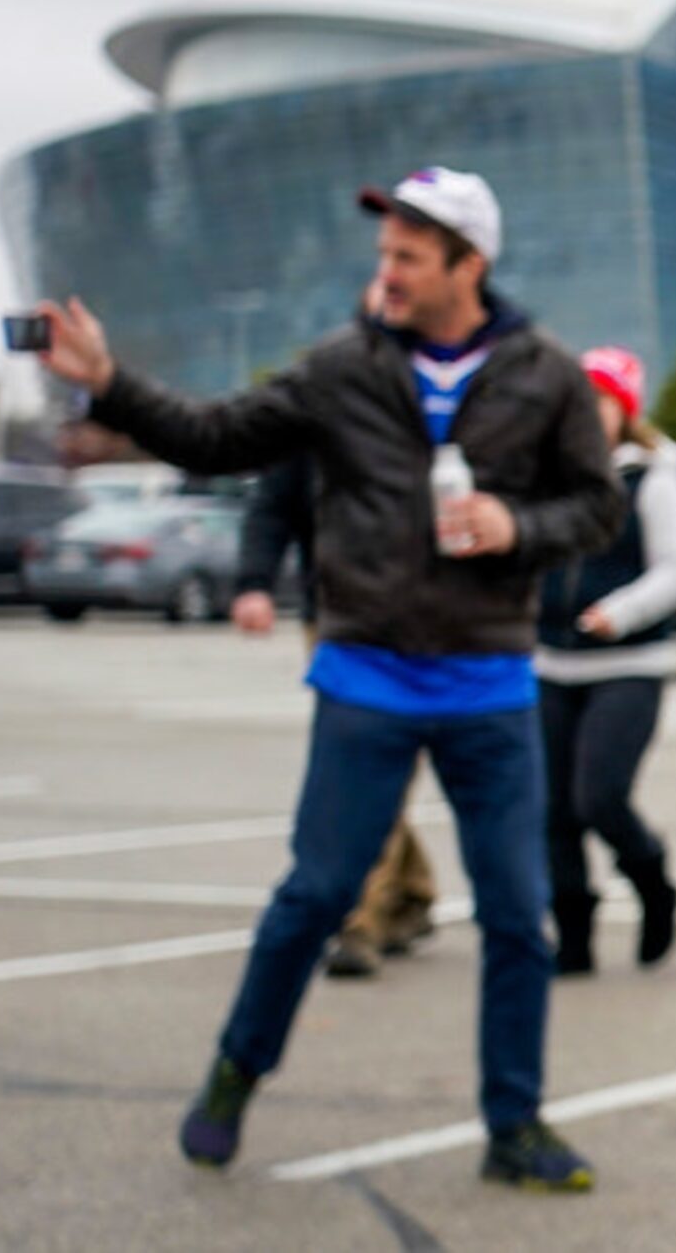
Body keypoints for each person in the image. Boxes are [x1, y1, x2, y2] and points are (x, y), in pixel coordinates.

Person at [33, 164, 623, 1193]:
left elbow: (597, 505)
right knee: (314, 895)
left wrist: (515, 527)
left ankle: (514, 1124)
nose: (384, 271)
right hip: (367, 674)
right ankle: (234, 1071)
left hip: (489, 681)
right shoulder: (340, 369)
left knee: (516, 916)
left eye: (406, 254)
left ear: (468, 266)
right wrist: (110, 383)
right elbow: (215, 438)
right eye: (383, 251)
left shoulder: (546, 374)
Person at [234, 448, 440, 979]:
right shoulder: (318, 401)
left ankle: (360, 921)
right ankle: (410, 890)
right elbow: (272, 505)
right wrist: (254, 582)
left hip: (425, 620)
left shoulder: (426, 400)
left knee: (377, 769)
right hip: (336, 621)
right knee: (365, 766)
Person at [536, 346, 676, 975]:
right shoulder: (548, 478)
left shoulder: (652, 478)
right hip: (550, 663)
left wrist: (618, 613)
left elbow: (674, 571)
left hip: (628, 665)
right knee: (551, 809)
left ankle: (653, 881)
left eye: (601, 400)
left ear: (624, 411)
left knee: (599, 796)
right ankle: (573, 933)